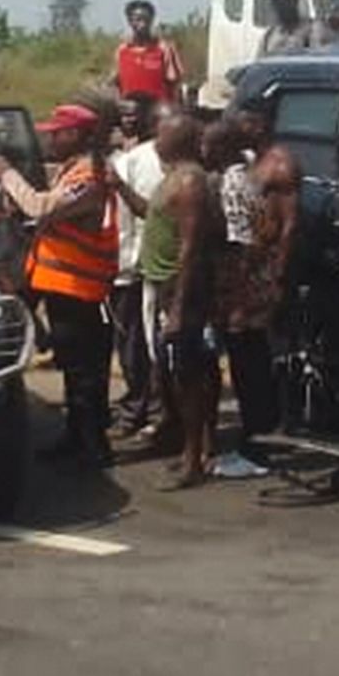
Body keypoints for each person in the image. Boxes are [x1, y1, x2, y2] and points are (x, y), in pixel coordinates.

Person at [0, 104, 119, 468]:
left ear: (77, 134)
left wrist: (7, 173)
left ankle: (91, 446)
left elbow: (41, 207)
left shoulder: (87, 175)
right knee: (74, 370)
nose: (50, 138)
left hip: (80, 290)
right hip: (64, 287)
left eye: (58, 132)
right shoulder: (75, 169)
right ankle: (76, 439)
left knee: (84, 374)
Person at [211, 104, 300, 471]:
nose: (237, 126)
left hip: (258, 273)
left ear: (260, 124)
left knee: (252, 359)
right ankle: (257, 432)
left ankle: (261, 440)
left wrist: (276, 275)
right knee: (245, 357)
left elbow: (289, 226)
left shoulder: (279, 163)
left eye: (243, 120)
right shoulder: (251, 162)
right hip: (245, 271)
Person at [137, 112, 218, 490]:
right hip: (163, 285)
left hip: (180, 288)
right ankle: (193, 450)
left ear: (179, 140)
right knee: (176, 373)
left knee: (188, 376)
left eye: (161, 134)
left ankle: (193, 460)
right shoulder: (172, 177)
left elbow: (191, 249)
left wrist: (180, 306)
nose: (155, 139)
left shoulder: (189, 182)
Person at [106, 95, 167, 437]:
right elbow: (123, 219)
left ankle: (148, 410)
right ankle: (142, 407)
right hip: (138, 266)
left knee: (148, 345)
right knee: (137, 344)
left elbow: (132, 218)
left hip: (150, 268)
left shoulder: (136, 162)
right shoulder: (133, 161)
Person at [114, 0, 185, 104]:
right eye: (137, 20)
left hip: (158, 112)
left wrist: (174, 110)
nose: (142, 24)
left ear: (152, 20)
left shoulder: (163, 49)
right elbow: (116, 83)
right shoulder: (122, 51)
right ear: (129, 21)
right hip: (128, 110)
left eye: (146, 19)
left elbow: (174, 84)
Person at [258, 0, 323, 57]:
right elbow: (260, 63)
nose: (275, 6)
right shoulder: (269, 35)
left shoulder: (313, 30)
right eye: (273, 1)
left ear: (293, 1)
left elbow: (319, 62)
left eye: (280, 0)